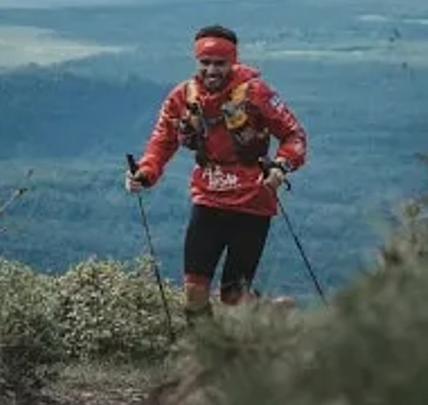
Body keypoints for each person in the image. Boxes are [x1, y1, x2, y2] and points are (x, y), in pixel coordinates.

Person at [125, 24, 307, 323]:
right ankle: (205, 359)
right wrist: (145, 173)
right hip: (208, 197)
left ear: (233, 62)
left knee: (233, 297)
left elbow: (294, 135)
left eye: (219, 63)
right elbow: (162, 141)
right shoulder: (183, 96)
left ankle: (275, 310)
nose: (211, 70)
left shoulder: (257, 93)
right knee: (194, 291)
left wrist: (280, 166)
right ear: (196, 61)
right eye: (205, 63)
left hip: (253, 201)